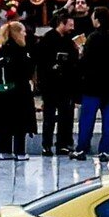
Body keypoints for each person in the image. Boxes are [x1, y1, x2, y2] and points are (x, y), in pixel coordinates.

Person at [73, 8, 109, 162]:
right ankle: (104, 150)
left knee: (87, 120)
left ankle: (82, 148)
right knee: (107, 121)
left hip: (92, 86)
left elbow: (85, 62)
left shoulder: (93, 38)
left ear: (97, 20)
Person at [33, 13, 79, 155]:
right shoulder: (48, 39)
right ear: (62, 23)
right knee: (49, 116)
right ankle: (46, 144)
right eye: (70, 25)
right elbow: (40, 61)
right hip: (51, 84)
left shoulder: (69, 40)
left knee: (66, 116)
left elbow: (73, 61)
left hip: (66, 84)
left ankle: (63, 144)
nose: (72, 28)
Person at [0, 21, 35, 161]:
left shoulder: (1, 50)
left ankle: (4, 150)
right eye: (22, 31)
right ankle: (19, 151)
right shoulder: (21, 51)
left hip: (4, 93)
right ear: (16, 33)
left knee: (4, 122)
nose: (25, 34)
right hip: (20, 92)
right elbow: (27, 71)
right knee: (20, 123)